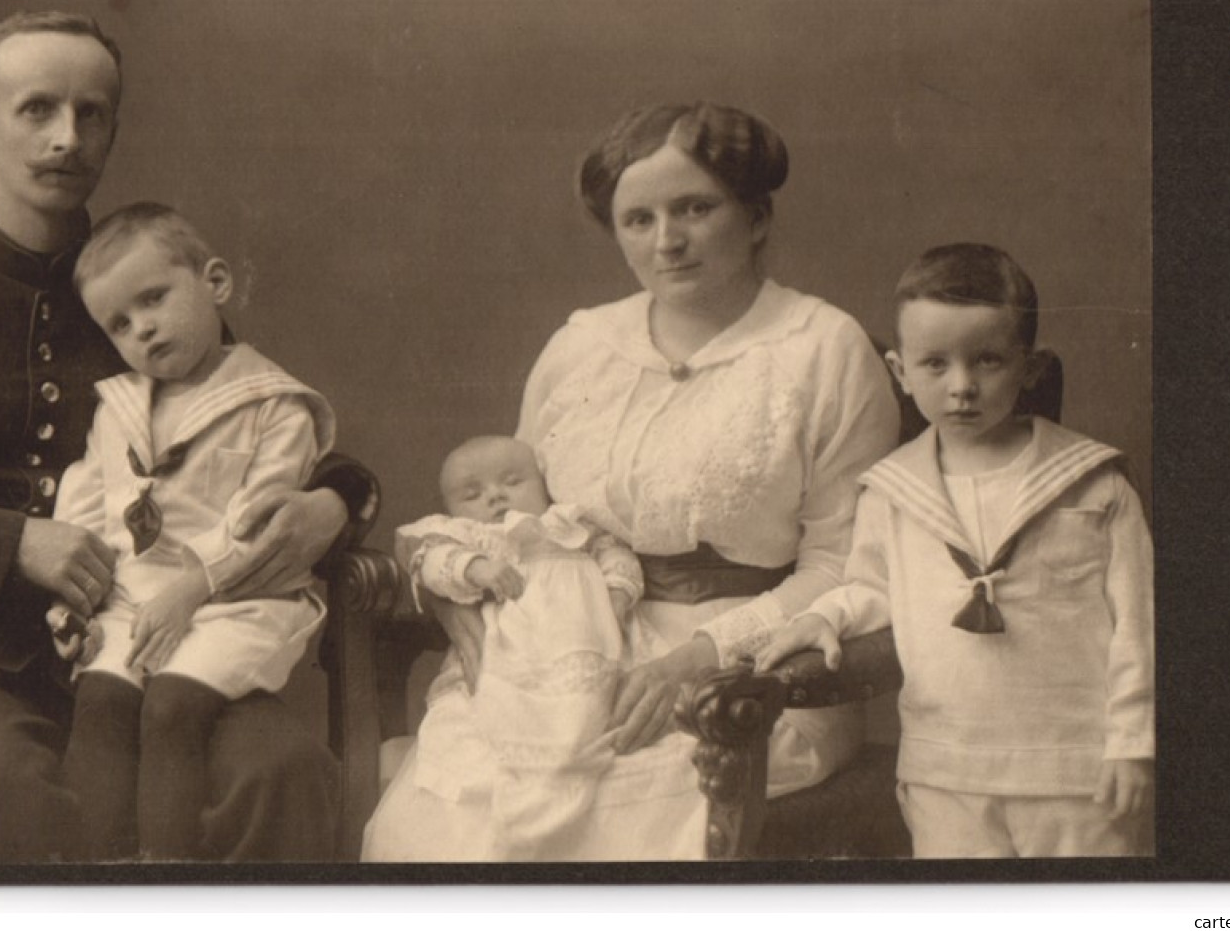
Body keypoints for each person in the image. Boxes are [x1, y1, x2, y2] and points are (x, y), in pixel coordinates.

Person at [0, 11, 373, 864]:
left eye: (91, 113)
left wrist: (337, 499)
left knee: (281, 771)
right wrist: (9, 541)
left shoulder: (145, 296)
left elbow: (255, 419)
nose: (68, 137)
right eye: (36, 110)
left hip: (150, 633)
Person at [364, 101, 900, 860]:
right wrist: (463, 609)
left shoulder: (822, 348)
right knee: (463, 811)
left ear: (755, 216)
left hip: (747, 676)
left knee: (611, 810)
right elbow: (511, 523)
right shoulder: (580, 345)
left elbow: (843, 565)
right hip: (558, 654)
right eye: (637, 219)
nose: (667, 241)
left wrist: (697, 659)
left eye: (694, 208)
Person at [755, 243, 1155, 858]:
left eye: (988, 360)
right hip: (946, 770)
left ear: (1029, 367)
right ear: (900, 371)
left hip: (1075, 771)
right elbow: (872, 590)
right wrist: (823, 616)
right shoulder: (892, 492)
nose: (962, 386)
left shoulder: (1094, 485)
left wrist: (1131, 744)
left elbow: (1140, 625)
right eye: (935, 364)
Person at [42, 202, 336, 861]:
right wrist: (74, 602)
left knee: (171, 704)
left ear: (217, 283)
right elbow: (85, 506)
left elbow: (264, 528)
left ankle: (167, 880)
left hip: (233, 598)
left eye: (154, 299)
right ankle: (93, 879)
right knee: (102, 700)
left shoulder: (274, 405)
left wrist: (192, 586)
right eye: (119, 323)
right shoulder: (118, 407)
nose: (142, 329)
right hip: (132, 600)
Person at [381, 435, 640, 860]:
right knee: (478, 730)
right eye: (472, 493)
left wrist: (616, 594)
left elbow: (617, 556)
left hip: (580, 648)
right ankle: (517, 809)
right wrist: (476, 568)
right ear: (451, 508)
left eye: (511, 481)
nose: (495, 496)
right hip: (507, 653)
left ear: (543, 484)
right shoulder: (472, 536)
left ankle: (552, 795)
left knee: (583, 724)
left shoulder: (571, 526)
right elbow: (432, 561)